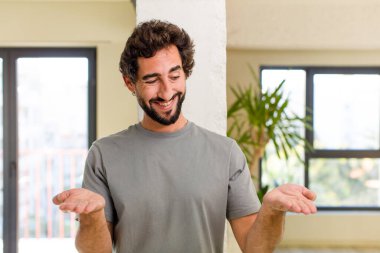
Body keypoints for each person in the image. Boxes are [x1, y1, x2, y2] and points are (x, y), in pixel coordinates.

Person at [52, 20, 317, 253]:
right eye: (152, 79)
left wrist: (271, 210)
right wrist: (93, 215)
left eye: (175, 75)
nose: (167, 91)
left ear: (185, 72)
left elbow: (255, 247)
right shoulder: (104, 154)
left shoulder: (225, 152)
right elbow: (95, 251)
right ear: (130, 83)